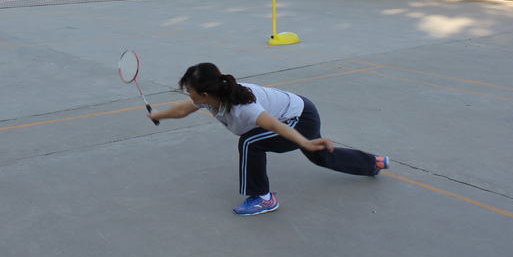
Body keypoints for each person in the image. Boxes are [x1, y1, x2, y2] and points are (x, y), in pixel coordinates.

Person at [148, 63, 389, 216]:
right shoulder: (211, 97)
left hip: (299, 118)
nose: (187, 93)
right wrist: (158, 115)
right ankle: (373, 163)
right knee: (321, 158)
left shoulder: (244, 108)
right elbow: (183, 109)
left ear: (204, 93)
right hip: (298, 109)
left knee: (251, 143)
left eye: (189, 89)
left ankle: (263, 198)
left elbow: (274, 125)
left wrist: (305, 141)